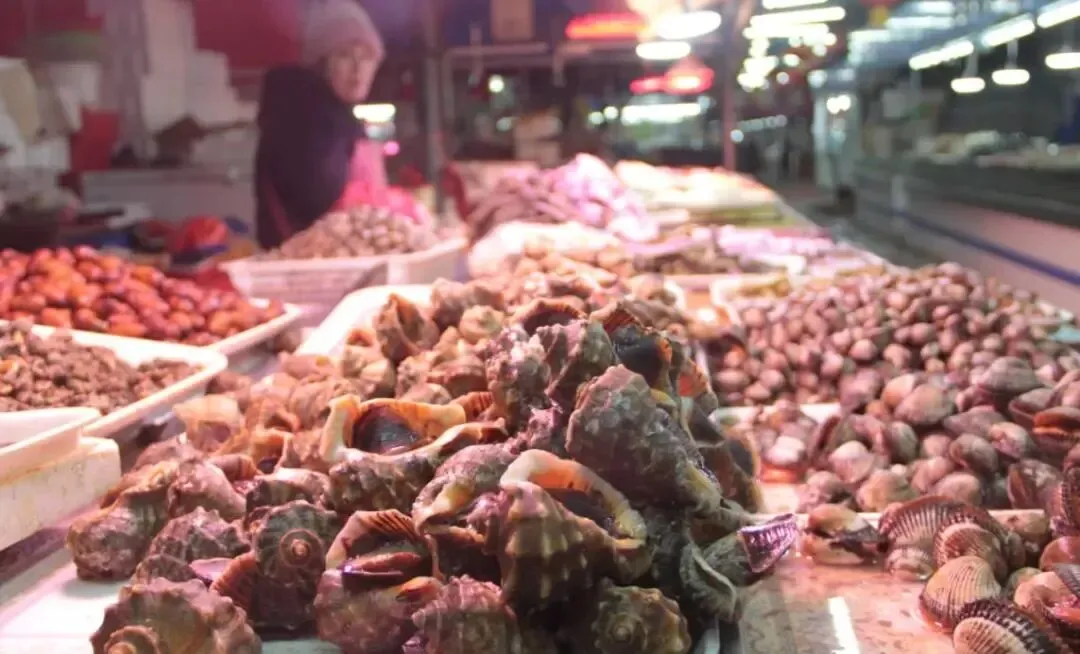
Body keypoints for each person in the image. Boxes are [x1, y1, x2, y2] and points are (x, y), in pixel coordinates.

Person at [254, 0, 386, 249]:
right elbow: (325, 203)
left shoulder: (339, 117)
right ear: (321, 62)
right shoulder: (306, 119)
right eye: (344, 55)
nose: (358, 69)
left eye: (367, 57)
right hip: (310, 264)